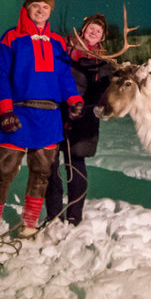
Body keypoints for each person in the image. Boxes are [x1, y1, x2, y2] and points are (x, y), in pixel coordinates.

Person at [0, 0, 84, 244]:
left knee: (42, 174)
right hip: (18, 114)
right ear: (27, 7)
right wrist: (5, 111)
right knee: (3, 172)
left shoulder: (58, 42)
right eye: (36, 5)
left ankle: (28, 225)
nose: (41, 10)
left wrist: (74, 99)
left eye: (45, 7)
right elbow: (0, 75)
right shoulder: (11, 37)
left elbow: (64, 76)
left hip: (48, 117)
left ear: (50, 10)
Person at [45, 12, 113, 227]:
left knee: (75, 164)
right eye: (91, 27)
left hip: (83, 117)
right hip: (56, 112)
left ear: (102, 36)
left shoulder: (103, 61)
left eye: (99, 30)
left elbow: (104, 91)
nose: (94, 32)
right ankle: (54, 213)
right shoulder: (64, 49)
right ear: (83, 29)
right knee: (51, 164)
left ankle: (75, 215)